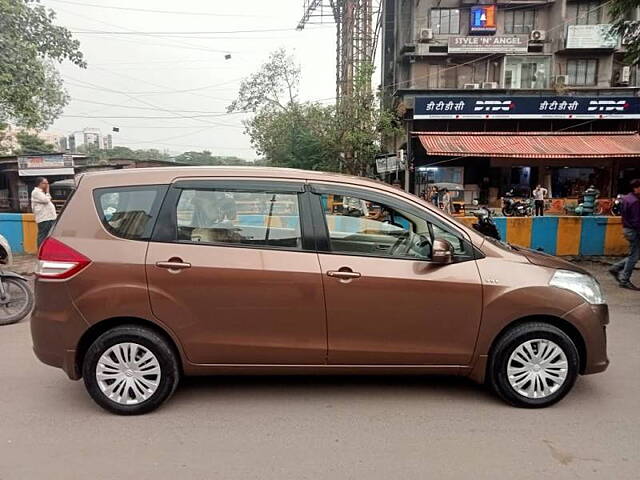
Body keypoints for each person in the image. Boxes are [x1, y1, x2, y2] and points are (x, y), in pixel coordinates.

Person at [609, 179, 640, 290]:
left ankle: (616, 268)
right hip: (633, 230)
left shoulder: (626, 198)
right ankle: (624, 280)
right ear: (636, 188)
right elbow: (637, 221)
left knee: (634, 254)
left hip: (626, 228)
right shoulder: (635, 201)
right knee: (634, 256)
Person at [31, 177, 57, 248]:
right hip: (44, 218)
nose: (47, 185)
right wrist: (48, 192)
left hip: (49, 217)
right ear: (40, 184)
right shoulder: (36, 192)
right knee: (43, 235)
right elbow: (46, 200)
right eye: (45, 183)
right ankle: (40, 250)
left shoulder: (41, 192)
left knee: (49, 235)